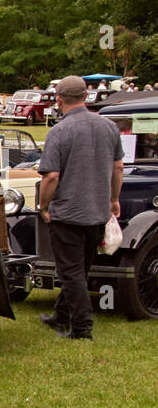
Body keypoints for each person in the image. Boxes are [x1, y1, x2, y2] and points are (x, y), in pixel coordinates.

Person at [37, 75, 124, 339]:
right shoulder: (109, 127)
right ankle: (61, 315)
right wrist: (113, 199)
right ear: (86, 96)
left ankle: (82, 328)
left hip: (68, 214)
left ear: (59, 100)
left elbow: (51, 176)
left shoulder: (59, 132)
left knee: (71, 273)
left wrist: (43, 206)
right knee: (80, 269)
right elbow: (118, 167)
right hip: (97, 212)